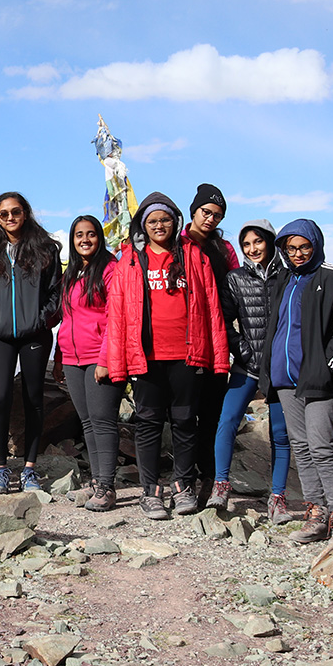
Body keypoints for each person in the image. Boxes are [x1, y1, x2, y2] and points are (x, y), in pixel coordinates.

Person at [103, 193, 229, 519]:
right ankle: (150, 491)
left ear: (175, 222)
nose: (160, 225)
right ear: (143, 225)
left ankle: (183, 486)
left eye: (165, 219)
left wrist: (218, 356)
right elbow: (116, 312)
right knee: (148, 422)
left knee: (186, 421)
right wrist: (112, 359)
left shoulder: (193, 256)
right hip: (145, 356)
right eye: (153, 221)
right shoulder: (130, 261)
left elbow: (212, 307)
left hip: (187, 354)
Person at [260, 219, 333, 544]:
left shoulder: (332, 277)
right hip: (285, 378)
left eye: (304, 247)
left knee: (321, 447)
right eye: (291, 248)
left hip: (318, 378)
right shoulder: (284, 279)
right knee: (300, 447)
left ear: (316, 245)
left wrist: (332, 362)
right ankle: (316, 515)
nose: (297, 254)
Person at [0, 192, 62, 496]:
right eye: (3, 214)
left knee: (33, 399)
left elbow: (55, 294)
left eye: (15, 212)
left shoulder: (45, 249)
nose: (10, 218)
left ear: (26, 213)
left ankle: (29, 469)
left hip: (35, 335)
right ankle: (0, 469)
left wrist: (40, 321)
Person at [208, 220, 293, 521]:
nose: (253, 248)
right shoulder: (235, 279)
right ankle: (221, 484)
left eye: (258, 242)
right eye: (246, 244)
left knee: (281, 434)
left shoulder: (288, 277)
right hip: (247, 365)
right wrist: (242, 350)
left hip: (281, 370)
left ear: (270, 242)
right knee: (228, 419)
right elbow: (224, 322)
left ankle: (278, 497)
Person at [53, 215, 124, 511]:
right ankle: (97, 481)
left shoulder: (109, 269)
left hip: (100, 356)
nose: (85, 239)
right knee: (87, 422)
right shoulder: (72, 273)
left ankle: (107, 487)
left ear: (99, 237)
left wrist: (106, 358)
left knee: (103, 420)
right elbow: (67, 319)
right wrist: (58, 358)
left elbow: (115, 317)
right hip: (72, 357)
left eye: (91, 234)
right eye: (79, 235)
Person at [183, 183, 239, 506]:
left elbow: (235, 291)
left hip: (218, 337)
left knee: (213, 413)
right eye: (206, 212)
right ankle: (185, 479)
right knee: (185, 413)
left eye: (217, 215)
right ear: (194, 211)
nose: (211, 219)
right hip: (187, 338)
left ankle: (212, 479)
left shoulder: (224, 250)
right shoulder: (178, 243)